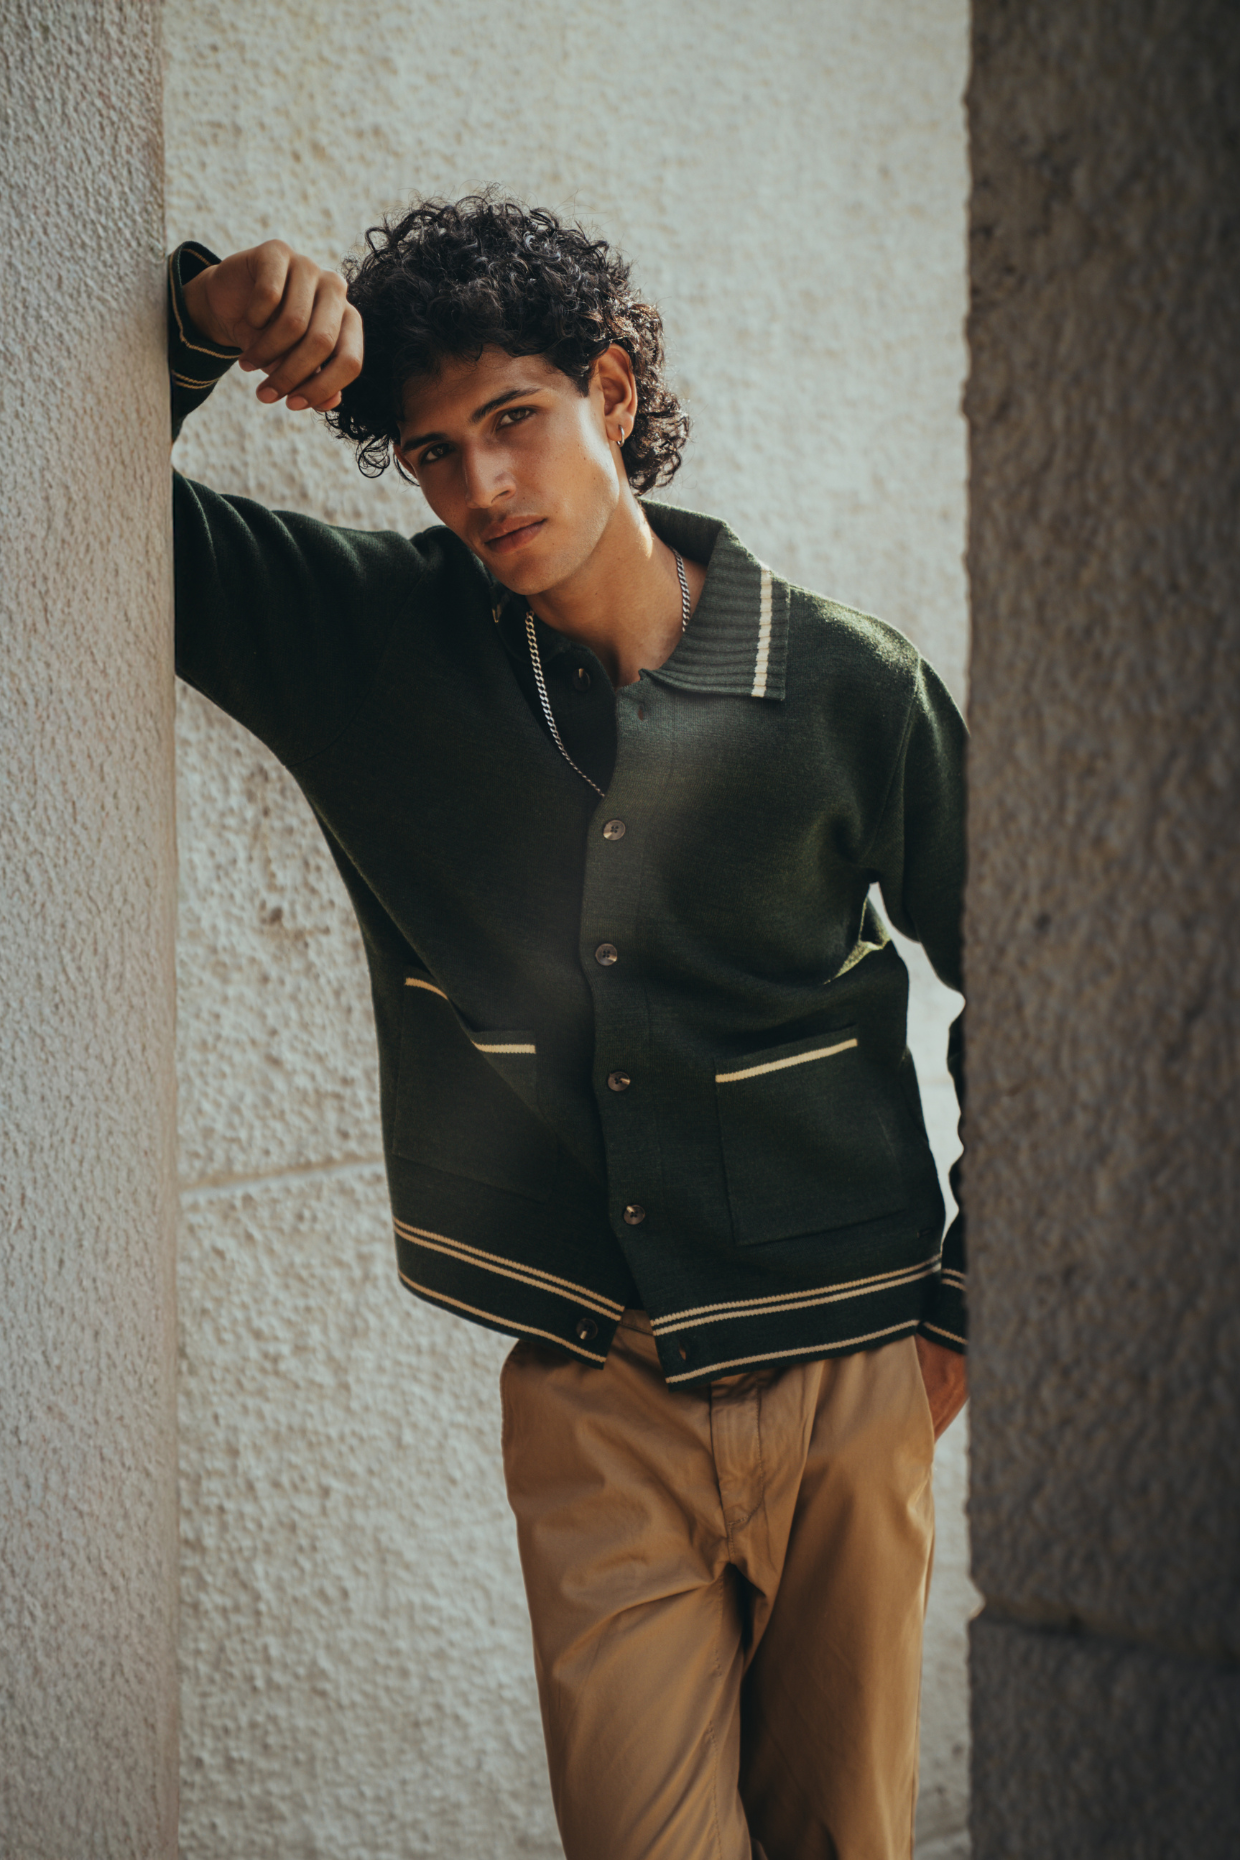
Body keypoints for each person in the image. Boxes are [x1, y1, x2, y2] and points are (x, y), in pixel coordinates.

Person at [168, 194, 968, 1860]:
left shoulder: (843, 683)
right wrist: (194, 324)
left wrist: (966, 1313)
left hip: (853, 1369)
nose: (480, 486)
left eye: (513, 420)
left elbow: (1039, 979)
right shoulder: (375, 648)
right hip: (597, 1395)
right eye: (435, 453)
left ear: (610, 391)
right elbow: (89, 515)